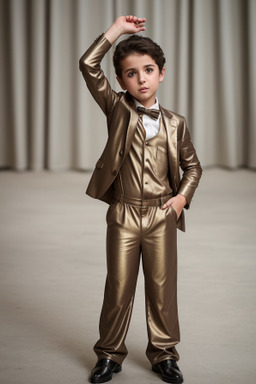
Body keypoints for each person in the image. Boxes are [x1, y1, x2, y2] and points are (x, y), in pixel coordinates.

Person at [79, 15, 202, 384]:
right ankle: (109, 355)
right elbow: (87, 64)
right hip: (124, 212)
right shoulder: (117, 109)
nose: (141, 79)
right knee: (118, 287)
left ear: (161, 73)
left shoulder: (176, 123)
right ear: (120, 81)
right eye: (131, 73)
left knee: (162, 289)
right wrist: (116, 30)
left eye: (148, 70)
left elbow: (193, 166)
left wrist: (181, 198)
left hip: (162, 214)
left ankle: (164, 355)